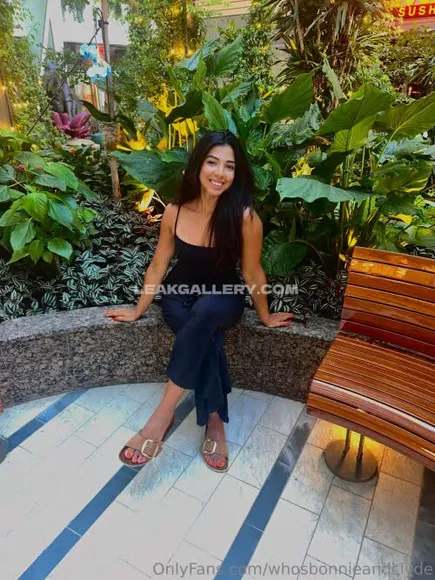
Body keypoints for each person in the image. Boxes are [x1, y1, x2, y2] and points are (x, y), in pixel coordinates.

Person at [105, 130, 293, 472]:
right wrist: (138, 310)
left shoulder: (245, 217)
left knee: (206, 314)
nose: (220, 173)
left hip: (223, 297)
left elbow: (252, 271)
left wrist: (265, 316)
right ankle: (215, 418)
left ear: (236, 173)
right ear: (198, 166)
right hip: (179, 295)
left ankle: (161, 417)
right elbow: (159, 265)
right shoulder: (175, 212)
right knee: (206, 337)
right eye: (212, 163)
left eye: (229, 166)